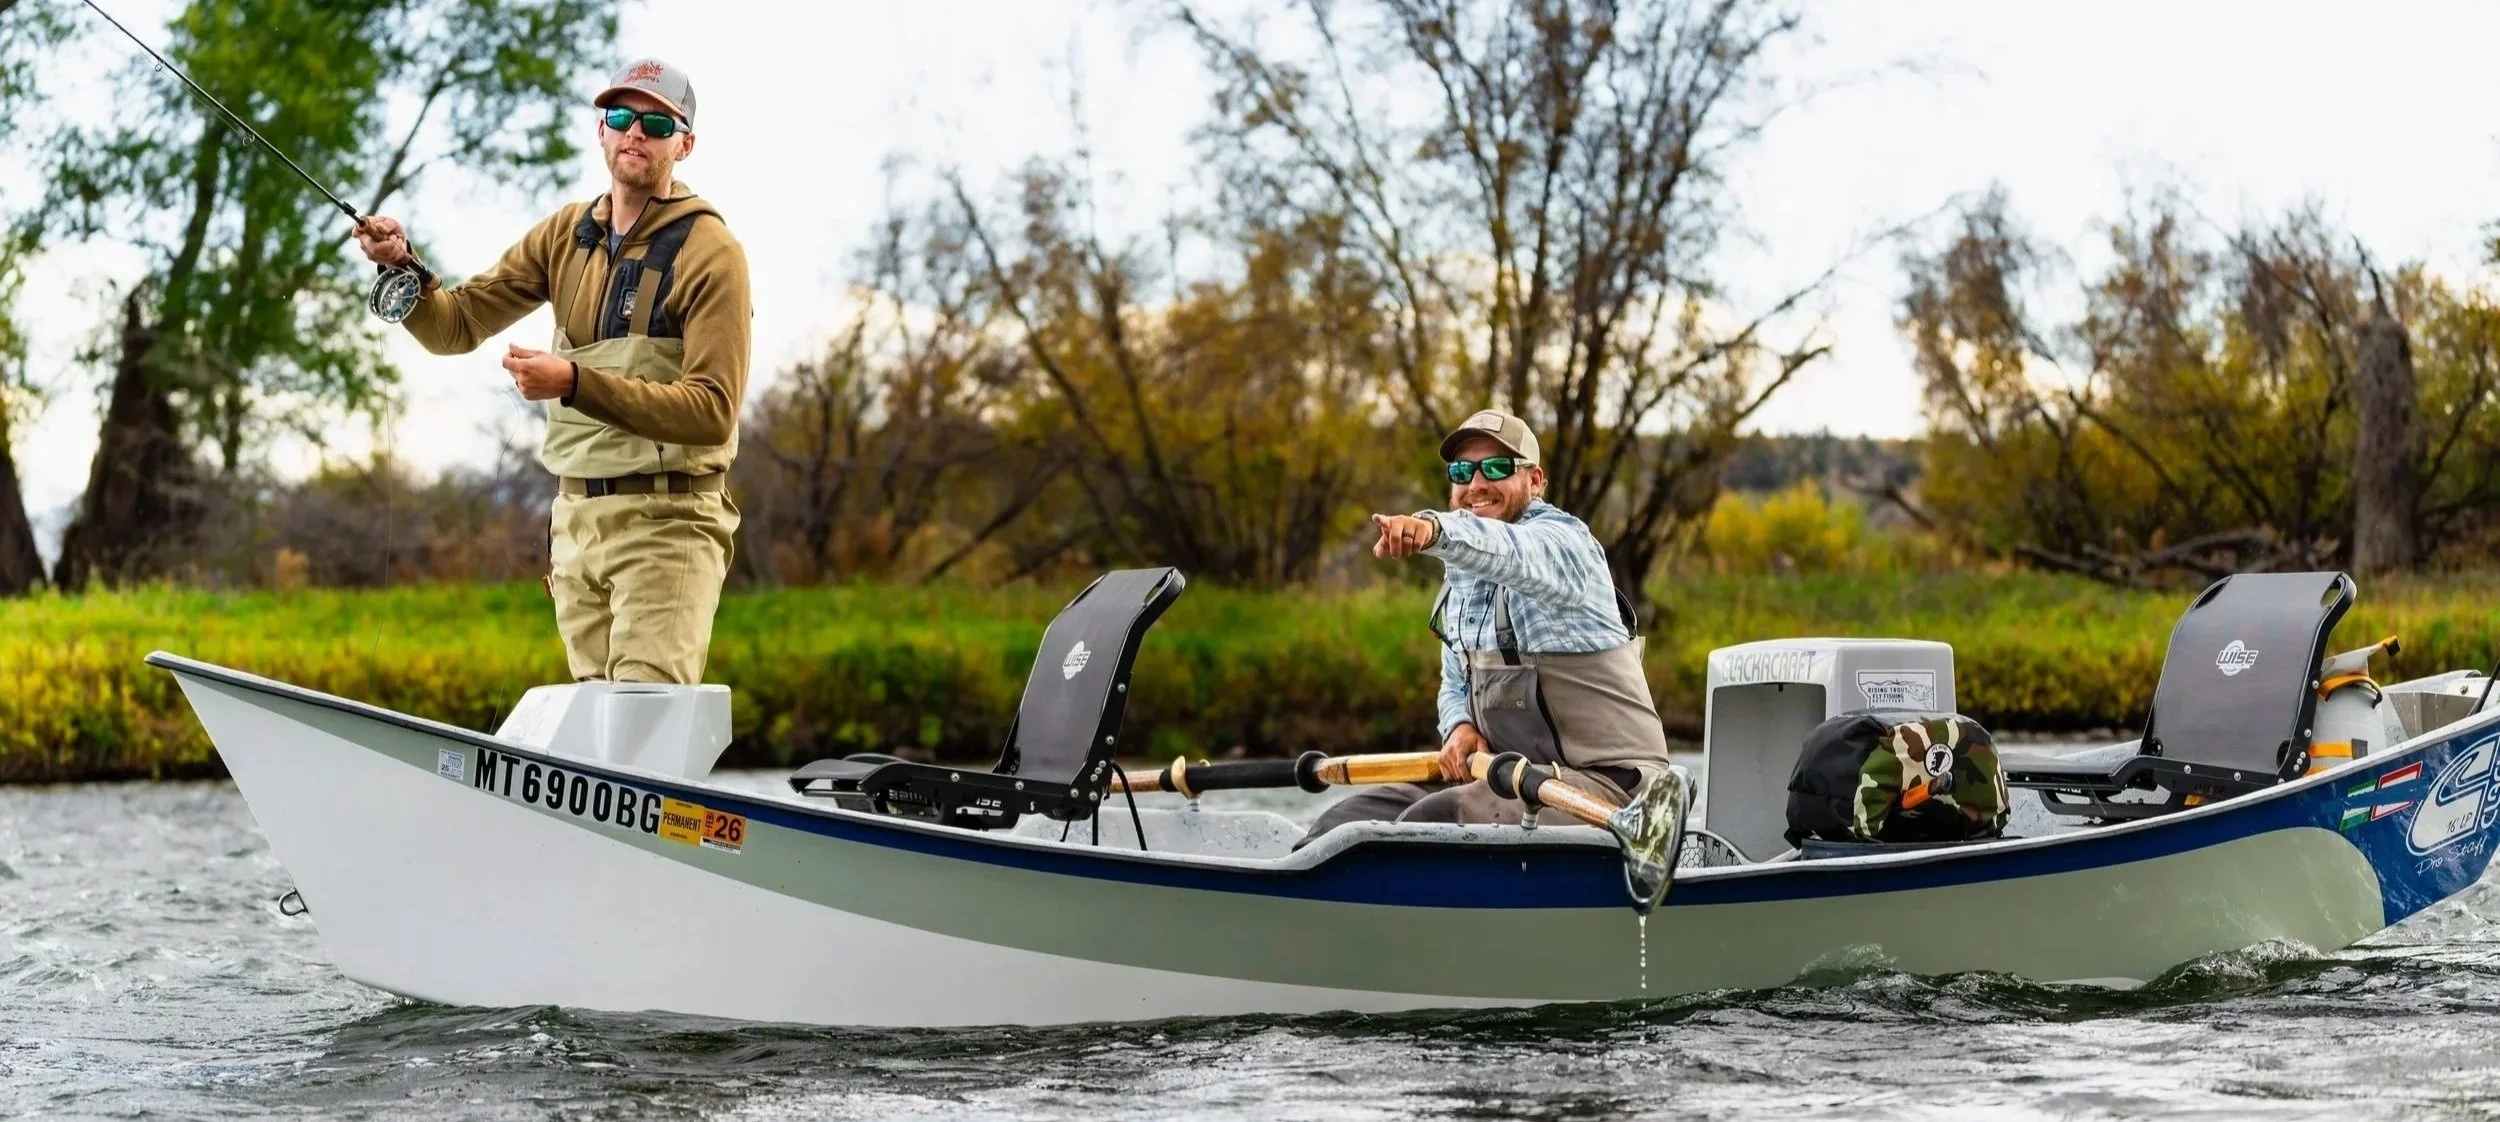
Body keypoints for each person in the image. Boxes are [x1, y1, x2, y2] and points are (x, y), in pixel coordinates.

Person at [353, 58, 751, 684]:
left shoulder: (712, 252)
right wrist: (400, 266)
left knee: (642, 728)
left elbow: (712, 410)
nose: (634, 134)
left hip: (670, 525)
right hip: (575, 526)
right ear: (601, 132)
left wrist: (573, 382)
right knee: (595, 741)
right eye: (620, 118)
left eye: (654, 122)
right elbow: (454, 327)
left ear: (685, 143)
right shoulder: (565, 234)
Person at [1303, 409, 1673, 840]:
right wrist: (1459, 724)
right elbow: (1455, 678)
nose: (1476, 484)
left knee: (1427, 825)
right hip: (1509, 781)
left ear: (1535, 481)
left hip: (1615, 795)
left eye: (1496, 468)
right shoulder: (1461, 571)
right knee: (1344, 822)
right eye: (1462, 471)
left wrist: (1432, 530)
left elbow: (1507, 550)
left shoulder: (1566, 545)